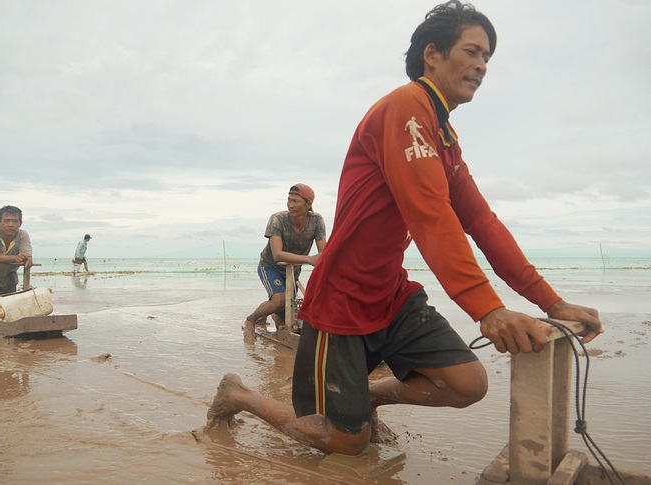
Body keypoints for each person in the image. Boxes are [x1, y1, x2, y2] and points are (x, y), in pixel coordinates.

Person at [207, 1, 603, 456]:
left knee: (467, 383)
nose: (481, 66)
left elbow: (482, 222)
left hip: (389, 292)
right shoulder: (406, 109)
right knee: (344, 443)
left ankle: (368, 396)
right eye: (472, 52)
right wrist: (488, 310)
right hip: (342, 302)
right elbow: (431, 217)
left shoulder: (443, 135)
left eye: (487, 58)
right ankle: (238, 395)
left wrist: (552, 301)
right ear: (432, 54)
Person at [243, 184, 327, 342]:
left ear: (308, 205)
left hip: (293, 270)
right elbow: (277, 255)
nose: (291, 205)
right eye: (289, 200)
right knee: (280, 300)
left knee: (286, 316)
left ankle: (270, 314)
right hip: (270, 267)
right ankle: (251, 319)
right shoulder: (277, 219)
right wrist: (309, 259)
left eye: (296, 201)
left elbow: (324, 252)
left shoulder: (316, 221)